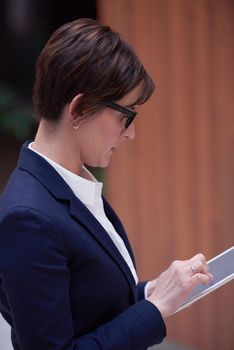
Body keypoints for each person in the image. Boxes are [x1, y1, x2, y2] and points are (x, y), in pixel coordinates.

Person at [0, 18, 213, 350]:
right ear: (80, 108)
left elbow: (88, 304)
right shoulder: (28, 218)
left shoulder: (72, 183)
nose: (130, 133)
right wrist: (155, 310)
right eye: (124, 115)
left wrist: (152, 291)